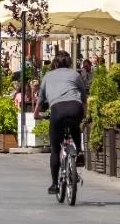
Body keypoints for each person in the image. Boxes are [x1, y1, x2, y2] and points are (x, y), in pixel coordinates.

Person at [37, 51, 87, 195]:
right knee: (75, 126)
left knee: (55, 149)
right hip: (75, 107)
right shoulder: (75, 75)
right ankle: (78, 152)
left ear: (54, 63)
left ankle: (54, 185)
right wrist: (84, 113)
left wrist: (36, 113)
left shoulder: (47, 76)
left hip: (57, 110)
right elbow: (83, 96)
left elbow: (41, 99)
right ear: (69, 62)